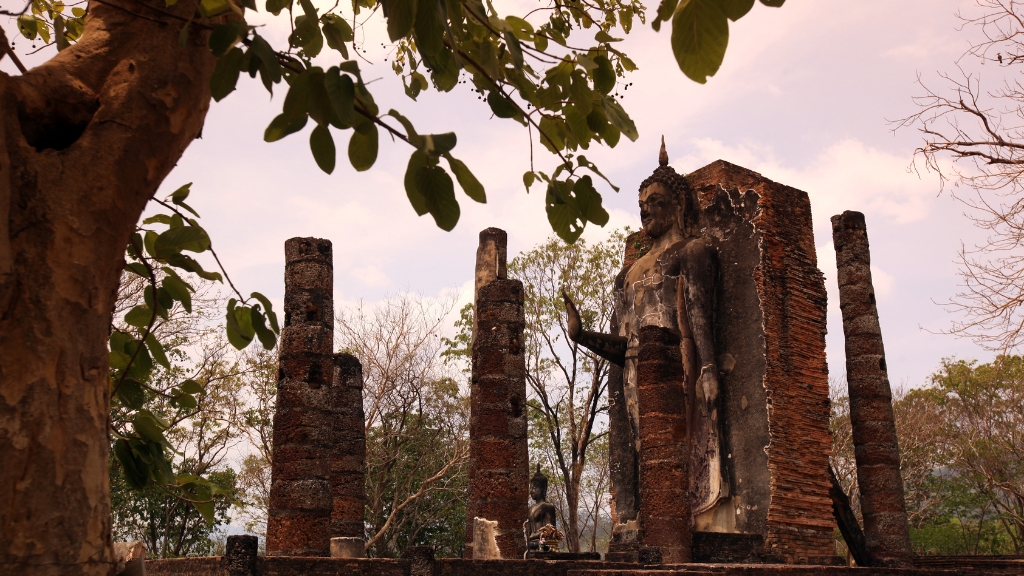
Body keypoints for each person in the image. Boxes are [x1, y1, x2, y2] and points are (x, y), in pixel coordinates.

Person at [563, 138, 725, 523]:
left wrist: (709, 370)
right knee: (646, 449)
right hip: (637, 370)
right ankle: (657, 519)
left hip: (676, 363)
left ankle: (687, 519)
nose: (645, 210)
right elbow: (624, 346)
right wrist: (583, 336)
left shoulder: (691, 251)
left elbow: (700, 318)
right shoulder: (627, 275)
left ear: (679, 204)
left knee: (680, 445)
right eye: (641, 205)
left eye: (655, 202)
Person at [524, 465, 558, 550]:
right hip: (530, 543)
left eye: (534, 488)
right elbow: (527, 531)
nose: (531, 491)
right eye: (531, 488)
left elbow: (550, 531)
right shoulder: (530, 509)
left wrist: (532, 537)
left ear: (543, 489)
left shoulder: (548, 507)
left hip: (542, 543)